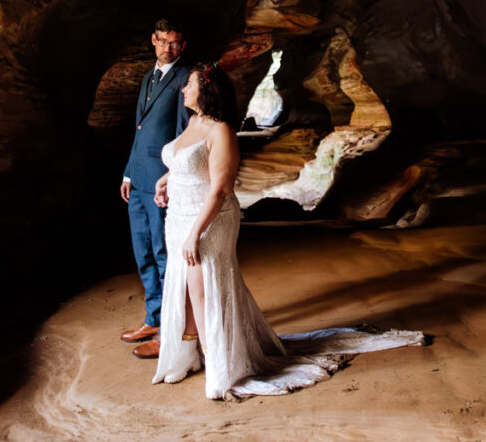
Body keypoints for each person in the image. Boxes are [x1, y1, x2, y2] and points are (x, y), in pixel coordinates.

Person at [152, 63, 423, 400]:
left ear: (206, 91)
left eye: (188, 85)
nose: (183, 90)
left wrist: (195, 233)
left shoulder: (220, 130)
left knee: (203, 286)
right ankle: (186, 355)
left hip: (207, 217)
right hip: (178, 215)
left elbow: (220, 188)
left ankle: (216, 361)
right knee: (183, 282)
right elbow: (184, 161)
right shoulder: (194, 122)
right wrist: (166, 181)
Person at [120, 19, 192, 359]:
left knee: (164, 255)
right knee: (143, 252)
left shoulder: (185, 79)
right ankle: (153, 318)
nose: (168, 48)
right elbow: (140, 128)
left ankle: (168, 331)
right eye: (163, 41)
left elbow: (183, 134)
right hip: (138, 180)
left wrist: (173, 179)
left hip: (162, 181)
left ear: (183, 45)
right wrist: (128, 174)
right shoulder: (149, 77)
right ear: (153, 40)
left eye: (175, 43)